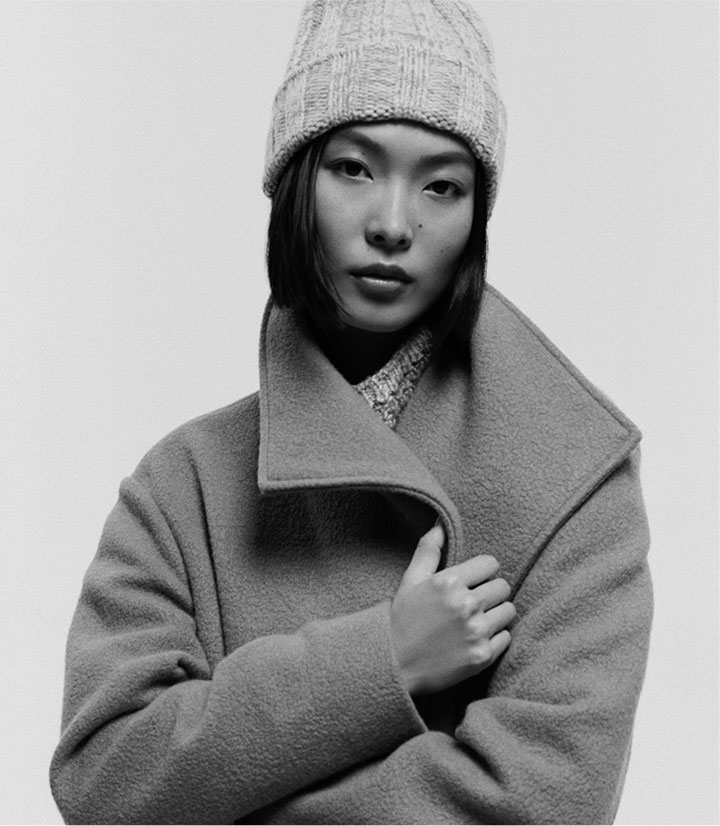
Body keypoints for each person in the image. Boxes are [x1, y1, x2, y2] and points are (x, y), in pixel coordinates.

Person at [49, 0, 653, 823]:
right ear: (294, 178)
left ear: (478, 215)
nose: (394, 225)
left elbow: (547, 803)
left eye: (443, 185)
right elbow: (104, 784)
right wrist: (384, 659)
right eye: (354, 168)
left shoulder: (575, 479)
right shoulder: (180, 487)